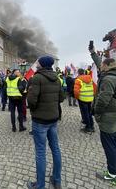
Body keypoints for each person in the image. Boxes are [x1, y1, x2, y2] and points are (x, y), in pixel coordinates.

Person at [27, 56, 65, 189]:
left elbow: (31, 100)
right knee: (55, 149)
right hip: (53, 119)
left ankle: (40, 185)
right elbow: (62, 97)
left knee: (41, 152)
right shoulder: (57, 78)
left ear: (42, 65)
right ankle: (56, 179)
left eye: (38, 63)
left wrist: (34, 109)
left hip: (40, 120)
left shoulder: (37, 78)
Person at [93, 58, 116, 186]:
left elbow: (103, 100)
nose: (100, 66)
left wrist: (97, 112)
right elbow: (100, 64)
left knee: (109, 145)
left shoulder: (108, 79)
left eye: (102, 64)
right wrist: (93, 54)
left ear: (108, 66)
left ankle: (112, 174)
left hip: (107, 116)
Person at [74, 68, 95, 133]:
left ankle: (88, 127)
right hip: (90, 98)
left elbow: (76, 91)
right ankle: (92, 126)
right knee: (89, 113)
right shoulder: (90, 78)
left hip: (82, 99)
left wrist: (77, 97)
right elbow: (94, 87)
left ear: (78, 73)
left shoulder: (78, 80)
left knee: (85, 113)